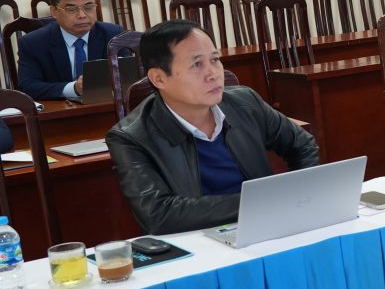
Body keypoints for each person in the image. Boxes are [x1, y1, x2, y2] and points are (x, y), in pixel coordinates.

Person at [106, 19, 320, 235]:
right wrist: (260, 202)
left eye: (215, 60)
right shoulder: (130, 137)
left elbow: (302, 145)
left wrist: (300, 197)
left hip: (266, 229)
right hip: (197, 242)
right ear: (159, 78)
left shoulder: (246, 102)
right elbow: (158, 214)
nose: (213, 74)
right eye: (197, 64)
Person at [17, 0, 124, 102]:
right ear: (54, 11)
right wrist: (74, 88)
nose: (82, 15)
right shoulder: (33, 43)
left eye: (88, 7)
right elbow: (28, 87)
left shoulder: (113, 34)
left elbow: (129, 78)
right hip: (60, 110)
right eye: (71, 9)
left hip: (105, 106)